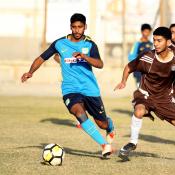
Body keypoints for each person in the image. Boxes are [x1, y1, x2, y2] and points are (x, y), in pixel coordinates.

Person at [21, 13, 115, 158]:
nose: (77, 30)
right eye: (74, 27)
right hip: (70, 89)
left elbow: (100, 64)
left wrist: (84, 57)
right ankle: (104, 145)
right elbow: (41, 58)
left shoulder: (90, 44)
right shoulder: (59, 43)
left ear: (85, 27)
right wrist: (30, 72)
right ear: (70, 27)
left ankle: (110, 126)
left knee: (102, 124)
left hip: (90, 89)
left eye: (80, 27)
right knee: (78, 113)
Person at [114, 27, 175, 164]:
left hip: (164, 100)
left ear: (168, 42)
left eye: (159, 40)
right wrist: (123, 81)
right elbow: (129, 67)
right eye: (154, 40)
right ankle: (132, 142)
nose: (155, 43)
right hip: (145, 95)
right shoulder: (147, 57)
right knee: (139, 110)